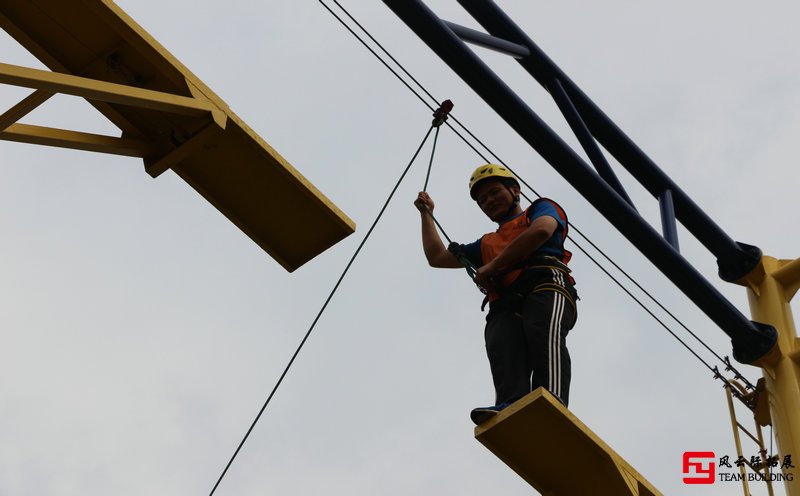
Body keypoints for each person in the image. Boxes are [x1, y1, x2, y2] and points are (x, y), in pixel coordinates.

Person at [414, 164, 578, 425]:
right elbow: (437, 257)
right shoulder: (487, 243)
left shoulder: (540, 210)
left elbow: (542, 231)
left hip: (545, 285)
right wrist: (427, 215)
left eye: (494, 192)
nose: (489, 201)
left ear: (515, 191)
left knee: (542, 331)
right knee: (502, 340)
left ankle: (552, 400)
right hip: (505, 302)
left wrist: (492, 266)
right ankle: (511, 404)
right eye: (482, 200)